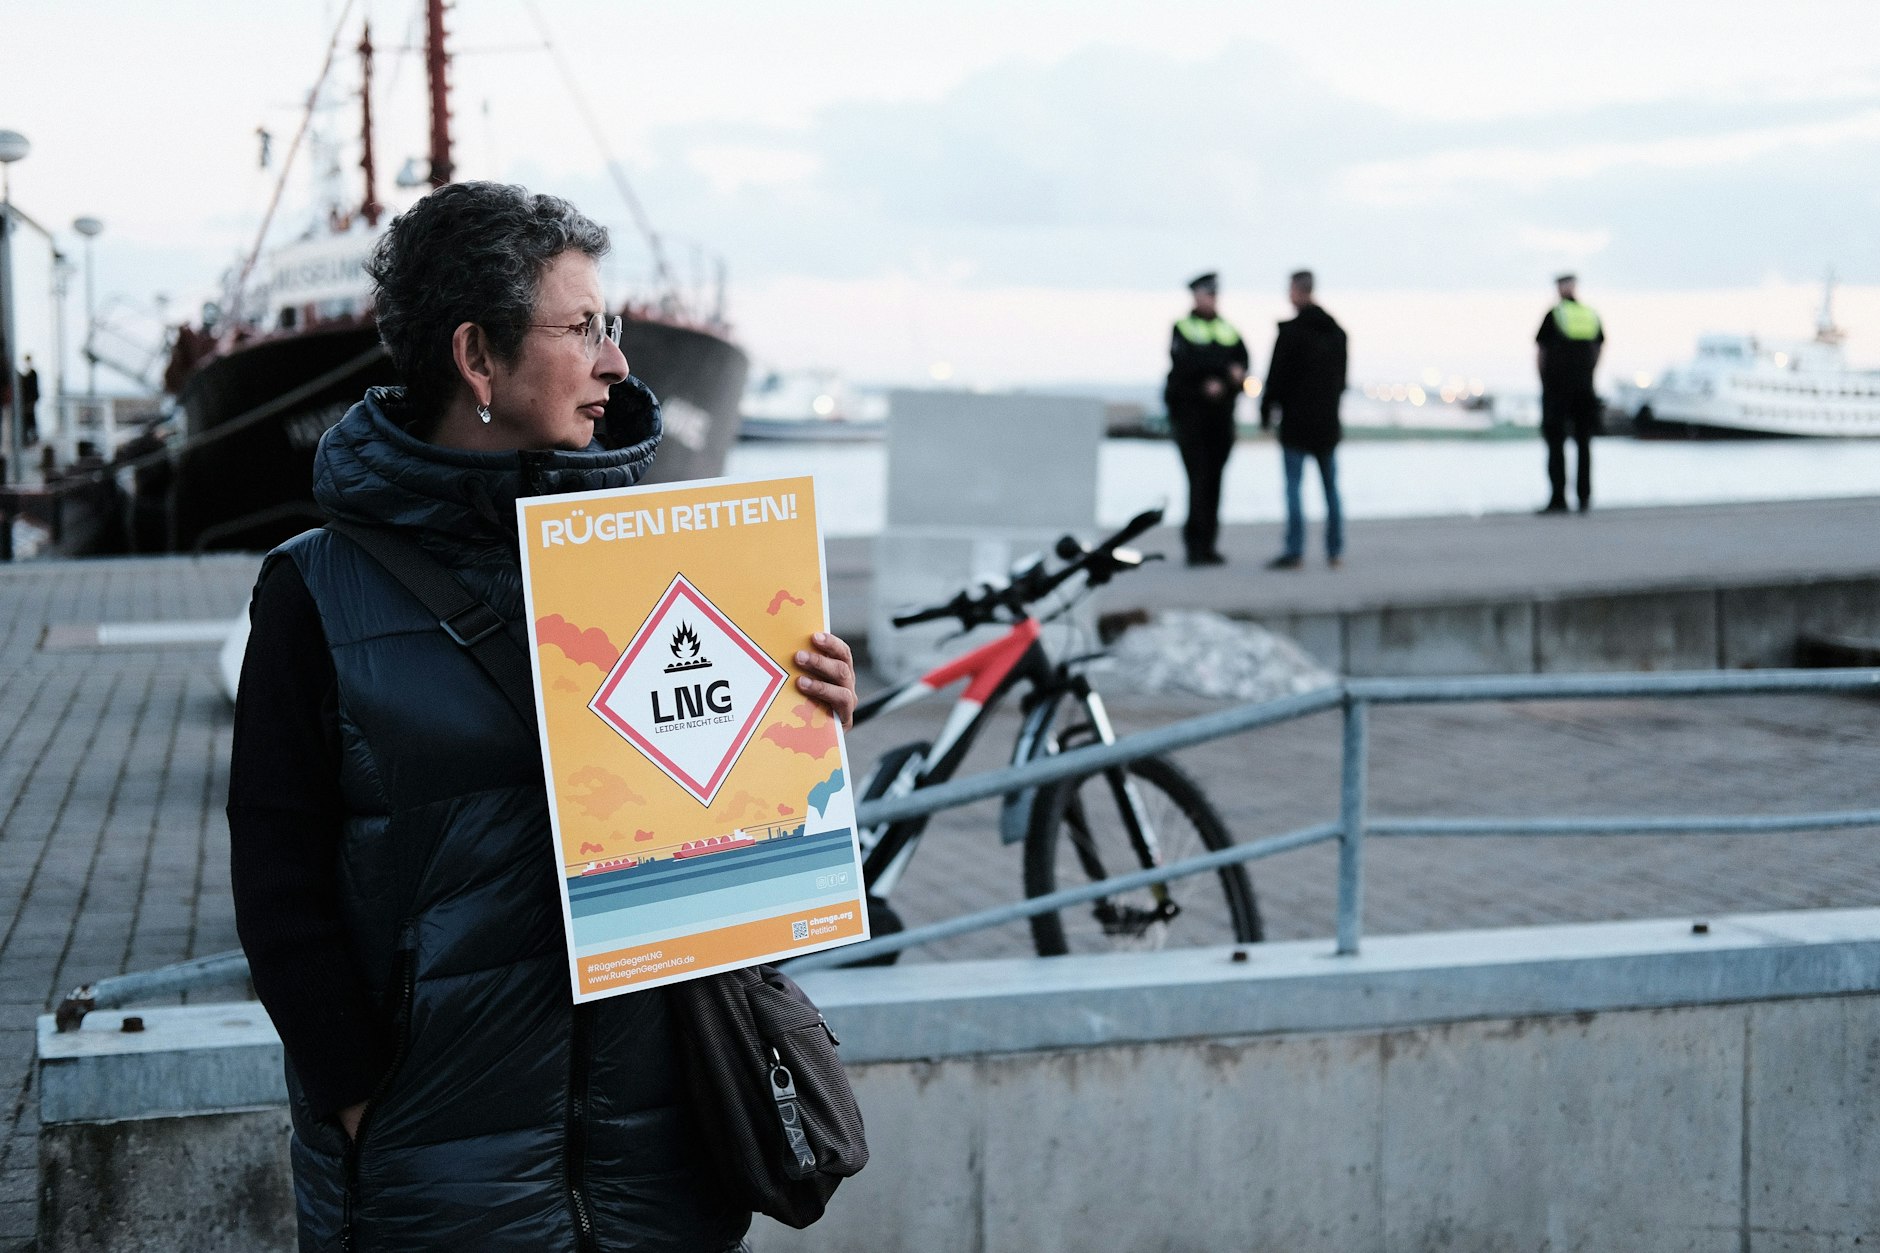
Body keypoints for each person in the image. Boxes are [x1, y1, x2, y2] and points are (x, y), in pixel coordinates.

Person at [227, 181, 858, 1252]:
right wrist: (359, 1100)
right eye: (582, 328)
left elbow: (727, 837)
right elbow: (275, 878)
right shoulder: (317, 590)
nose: (617, 360)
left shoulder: (671, 563)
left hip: (661, 1142)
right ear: (477, 358)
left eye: (608, 327)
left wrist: (802, 728)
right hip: (438, 1160)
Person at [1259, 270, 1347, 569]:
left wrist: (1266, 412)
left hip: (1296, 423)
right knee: (1330, 489)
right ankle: (1335, 552)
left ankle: (1295, 551)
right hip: (1326, 424)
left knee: (1294, 488)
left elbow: (1276, 379)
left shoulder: (1291, 333)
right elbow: (1341, 382)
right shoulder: (1336, 333)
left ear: (1298, 291)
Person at [1163, 272, 1248, 566]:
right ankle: (1195, 546)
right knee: (1198, 480)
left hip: (1220, 419)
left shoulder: (1229, 330)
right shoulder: (1183, 328)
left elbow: (1242, 365)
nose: (1208, 299)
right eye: (1203, 294)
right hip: (1191, 419)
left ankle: (1209, 545)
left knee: (1214, 481)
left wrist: (1228, 379)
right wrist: (1218, 376)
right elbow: (1183, 366)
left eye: (1211, 294)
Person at [1535, 273, 1604, 513]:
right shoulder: (1590, 314)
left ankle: (1558, 499)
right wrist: (1589, 373)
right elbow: (1599, 347)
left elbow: (1541, 352)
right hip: (1585, 387)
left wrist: (1544, 381)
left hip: (1557, 388)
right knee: (1584, 443)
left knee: (1556, 442)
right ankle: (1584, 498)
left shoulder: (1555, 314)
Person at [19, 354, 38, 446]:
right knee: (27, 421)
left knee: (31, 420)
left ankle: (33, 438)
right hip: (25, 401)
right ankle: (27, 439)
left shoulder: (33, 374)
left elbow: (35, 388)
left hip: (30, 401)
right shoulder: (25, 375)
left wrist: (33, 401)